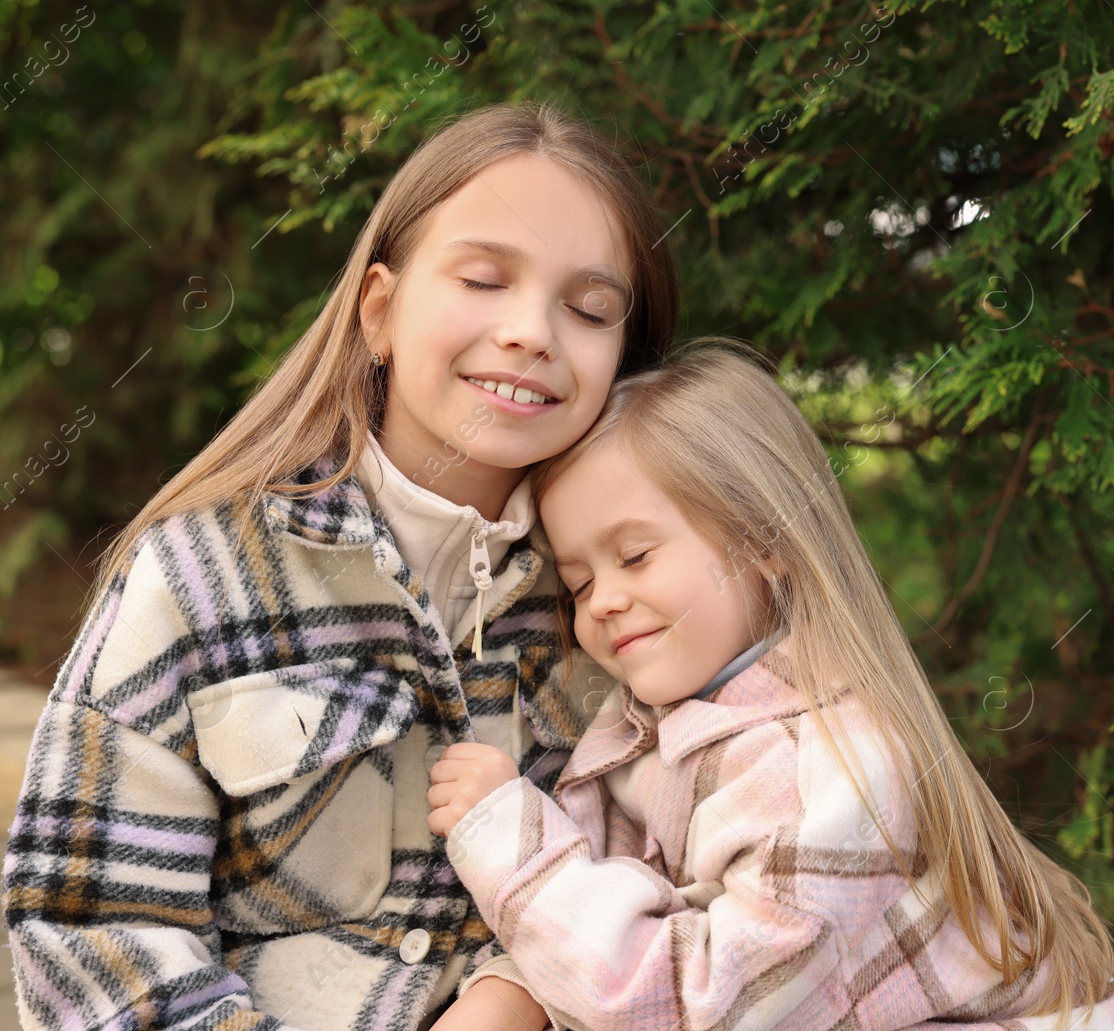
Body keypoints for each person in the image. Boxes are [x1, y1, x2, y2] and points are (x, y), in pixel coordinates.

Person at [2, 102, 677, 1030]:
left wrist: (514, 993)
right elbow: (88, 925)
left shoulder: (629, 609)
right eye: (484, 279)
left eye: (589, 308)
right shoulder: (200, 574)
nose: (532, 330)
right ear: (381, 311)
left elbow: (687, 876)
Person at [426, 342, 1114, 1031]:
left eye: (635, 555)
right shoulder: (652, 727)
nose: (603, 600)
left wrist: (509, 846)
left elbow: (707, 1009)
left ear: (764, 541)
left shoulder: (832, 772)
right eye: (579, 584)